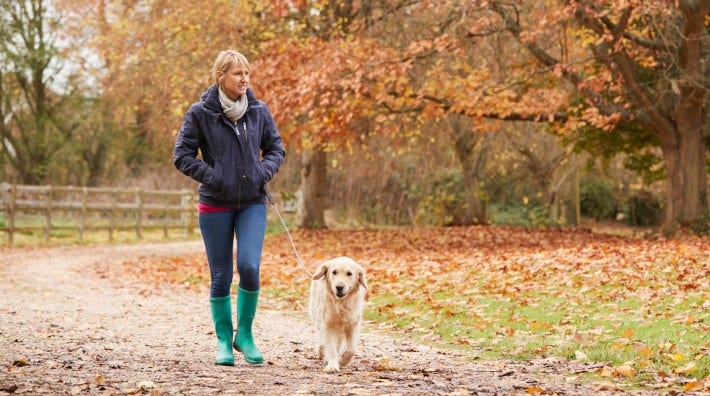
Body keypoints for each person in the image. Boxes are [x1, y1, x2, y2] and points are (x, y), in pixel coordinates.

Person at [173, 50, 285, 366]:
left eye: (247, 73)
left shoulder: (259, 112)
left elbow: (276, 149)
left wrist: (263, 172)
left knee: (249, 266)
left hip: (252, 202)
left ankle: (245, 335)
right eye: (237, 74)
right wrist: (214, 176)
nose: (244, 79)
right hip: (214, 204)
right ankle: (224, 340)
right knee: (220, 275)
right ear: (221, 76)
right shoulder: (200, 113)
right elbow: (181, 155)